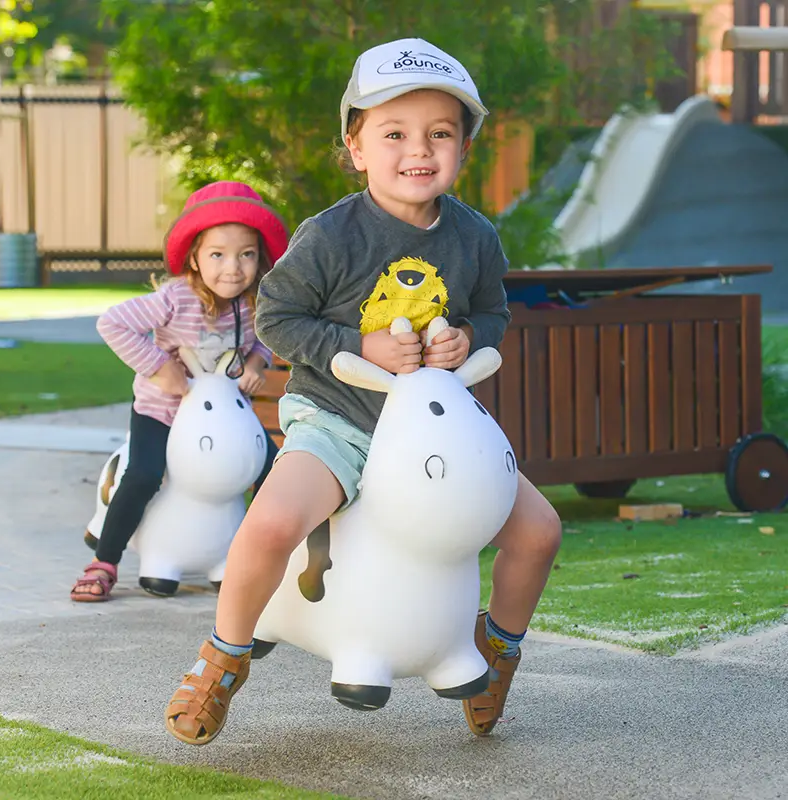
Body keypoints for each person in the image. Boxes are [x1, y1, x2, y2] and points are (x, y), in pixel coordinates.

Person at [164, 38, 562, 745]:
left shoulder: (474, 237)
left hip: (436, 435)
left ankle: (497, 649)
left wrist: (467, 338)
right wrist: (358, 347)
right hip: (341, 420)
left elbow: (494, 311)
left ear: (464, 150)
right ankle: (224, 656)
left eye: (441, 134)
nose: (419, 149)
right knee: (270, 526)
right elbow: (278, 317)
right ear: (355, 146)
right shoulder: (331, 237)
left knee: (538, 532)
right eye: (395, 133)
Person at [70, 181, 289, 602]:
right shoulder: (175, 297)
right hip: (163, 411)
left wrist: (258, 363)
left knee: (274, 471)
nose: (233, 268)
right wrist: (159, 367)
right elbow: (112, 323)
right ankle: (105, 561)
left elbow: (265, 338)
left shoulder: (253, 302)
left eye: (247, 255)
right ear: (194, 257)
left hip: (225, 418)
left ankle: (265, 560)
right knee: (144, 474)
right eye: (218, 255)